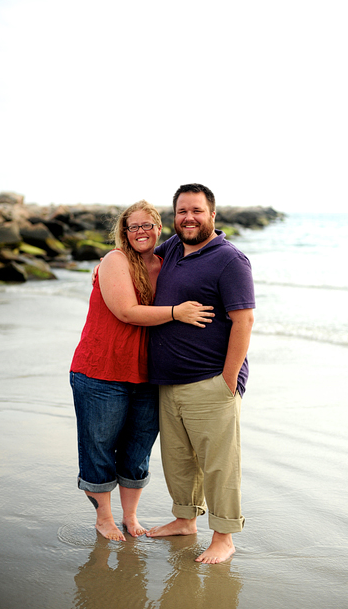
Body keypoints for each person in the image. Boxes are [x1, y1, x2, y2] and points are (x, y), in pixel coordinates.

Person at [70, 200, 214, 541]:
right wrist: (177, 312)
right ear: (124, 232)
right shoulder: (114, 261)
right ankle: (104, 518)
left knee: (137, 449)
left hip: (148, 372)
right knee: (100, 446)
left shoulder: (166, 264)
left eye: (147, 225)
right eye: (133, 227)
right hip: (101, 370)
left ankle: (130, 517)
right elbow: (126, 311)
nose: (140, 232)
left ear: (159, 229)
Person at [145, 183, 256, 564]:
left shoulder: (230, 260)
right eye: (181, 212)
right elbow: (139, 259)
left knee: (219, 464)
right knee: (177, 459)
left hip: (210, 382)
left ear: (212, 214)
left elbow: (244, 321)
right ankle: (184, 521)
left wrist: (229, 380)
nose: (188, 218)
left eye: (196, 211)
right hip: (168, 381)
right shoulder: (173, 247)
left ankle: (224, 538)